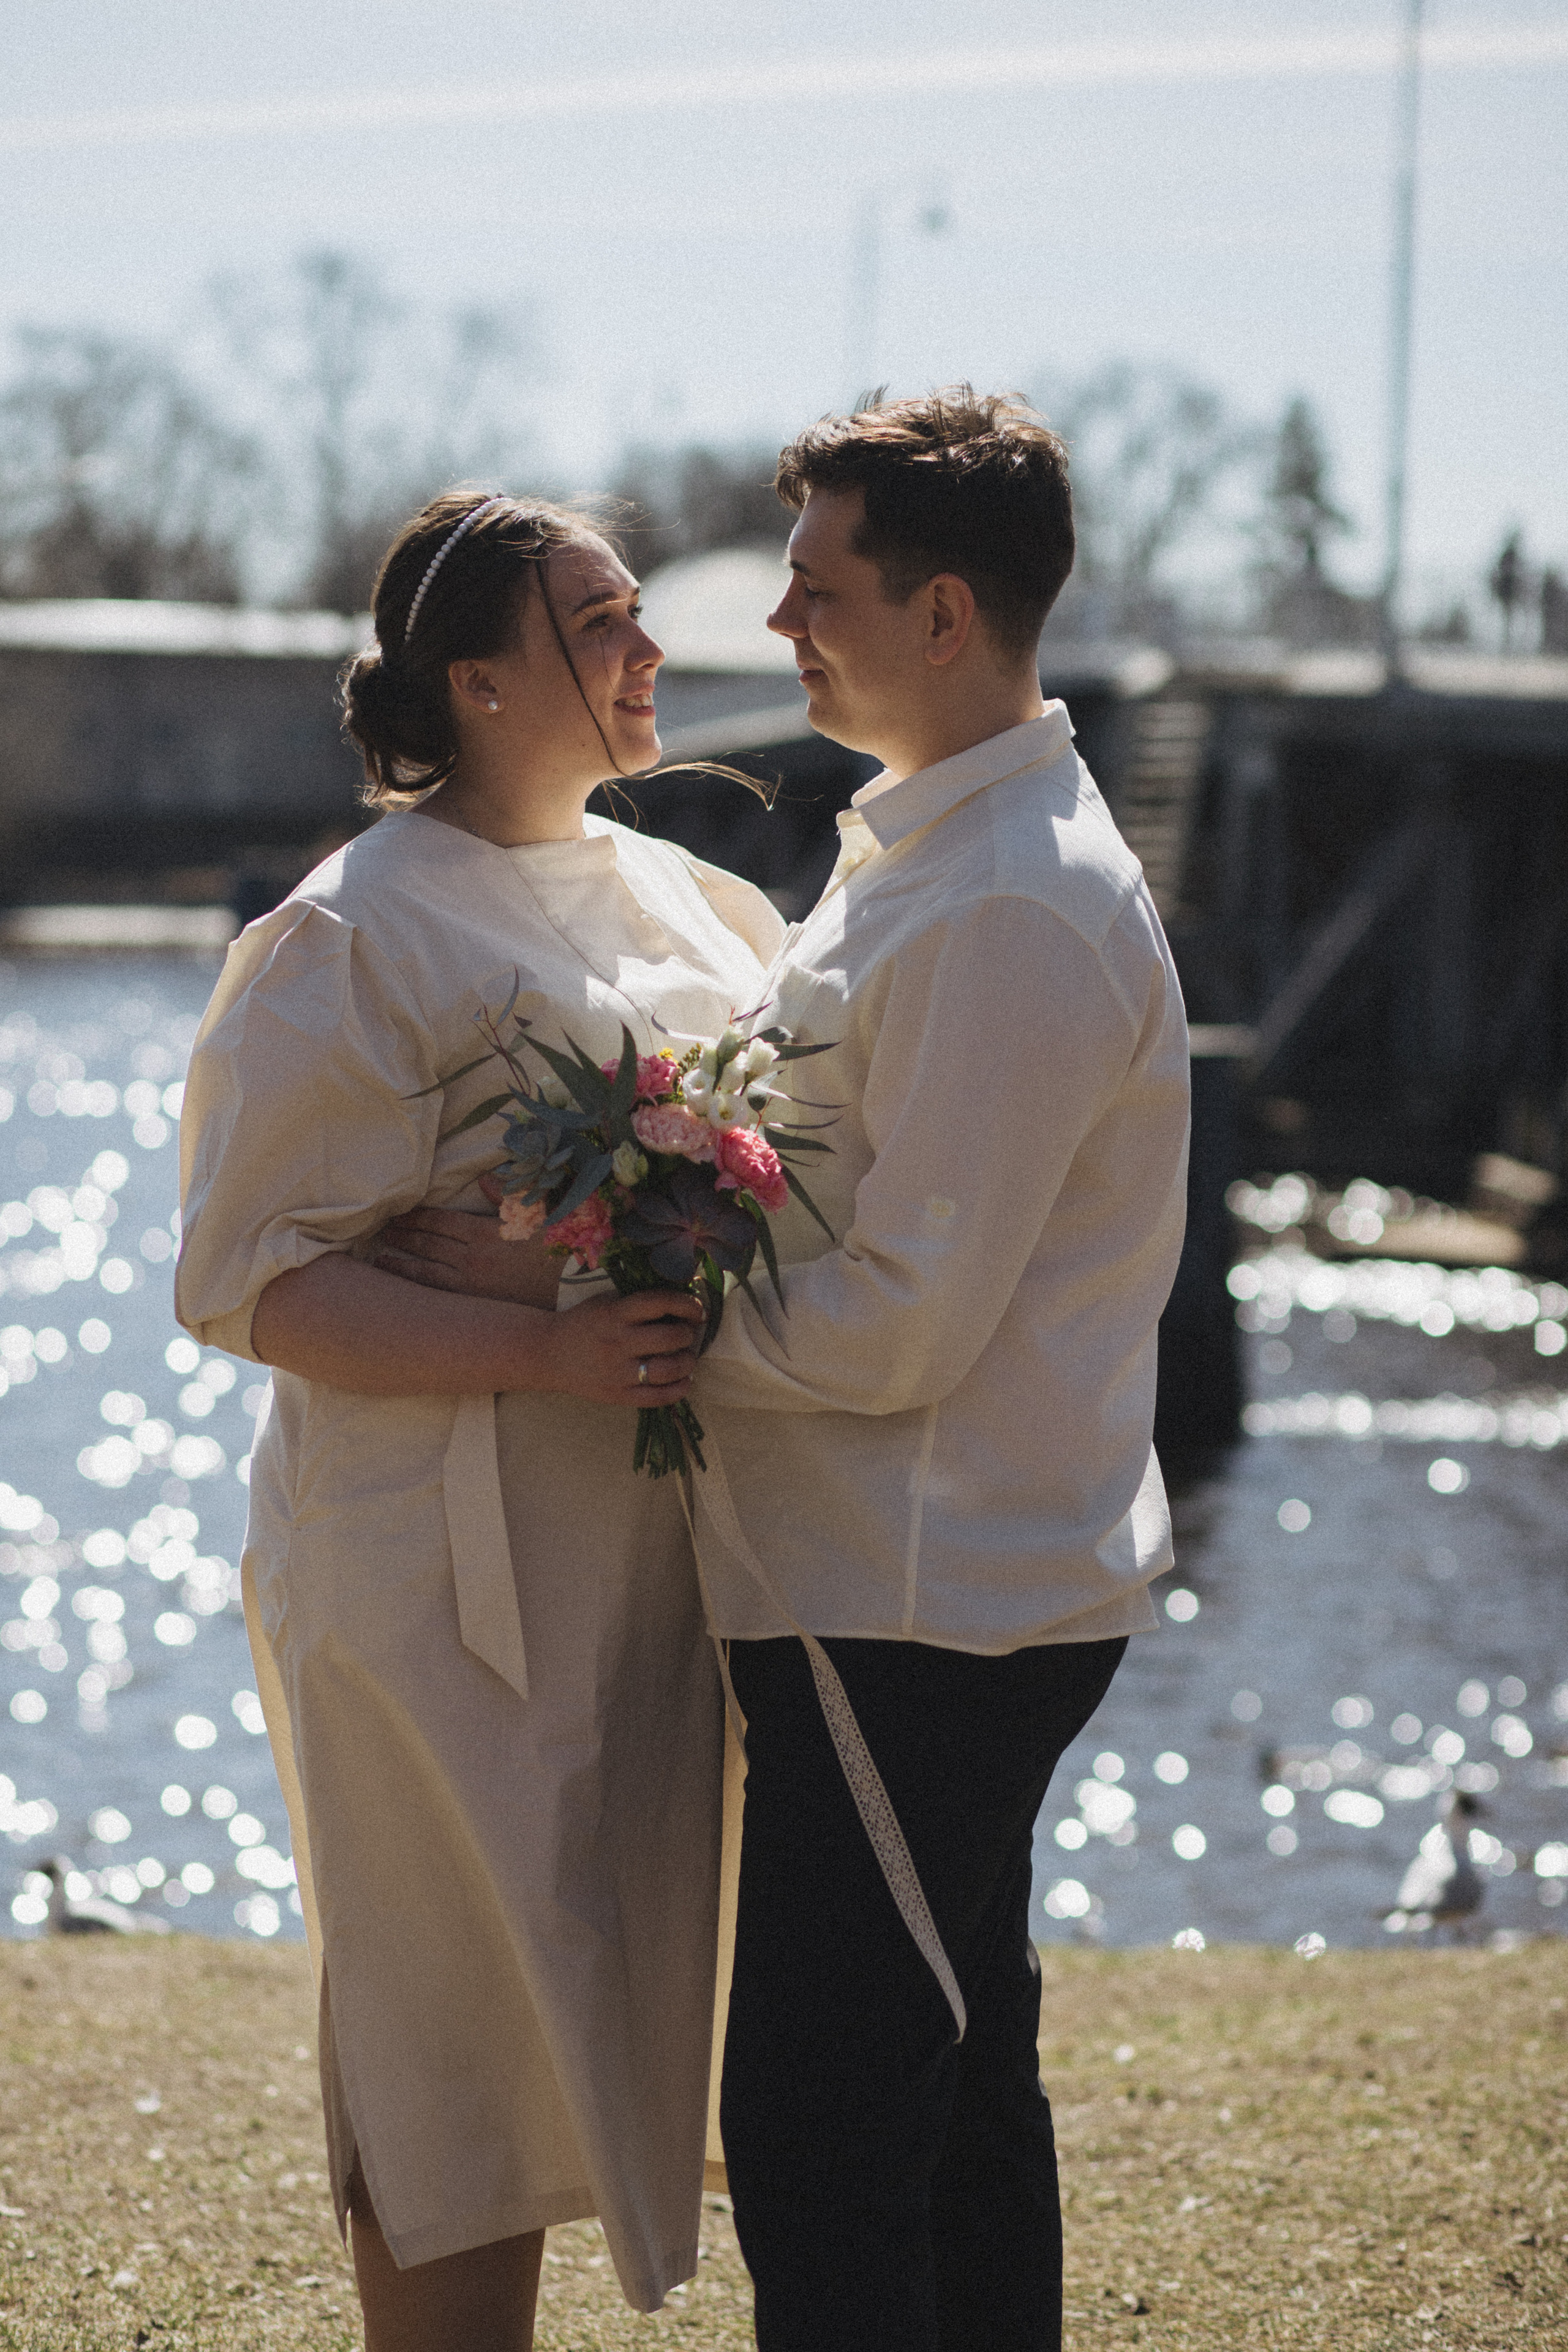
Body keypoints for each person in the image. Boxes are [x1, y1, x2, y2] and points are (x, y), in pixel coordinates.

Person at [175, 489, 783, 2351]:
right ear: (483, 680)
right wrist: (546, 1344)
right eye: (601, 621)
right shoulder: (347, 938)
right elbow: (247, 1281)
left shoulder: (697, 899)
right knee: (455, 2040)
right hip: (435, 1584)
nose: (650, 647)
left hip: (663, 1563)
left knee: (635, 1989)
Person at [686, 389, 1191, 2350]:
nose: (783, 625)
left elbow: (903, 1319)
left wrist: (653, 1330)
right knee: (953, 2102)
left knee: (822, 2130)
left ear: (948, 610)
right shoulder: (930, 854)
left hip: (917, 1612)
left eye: (819, 587)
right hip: (905, 1593)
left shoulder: (1004, 902)